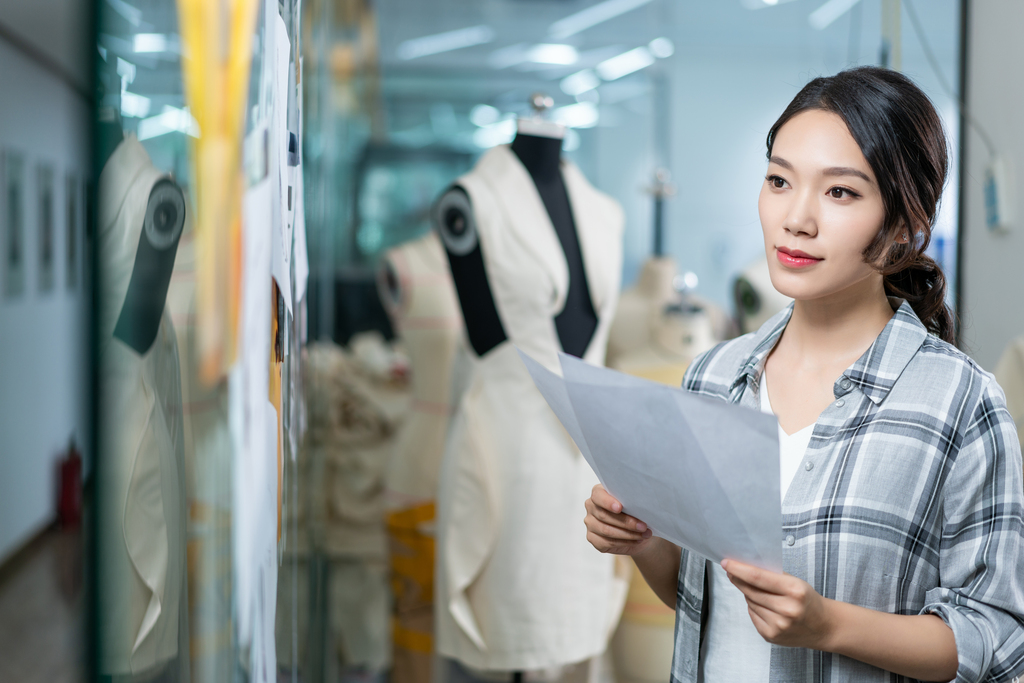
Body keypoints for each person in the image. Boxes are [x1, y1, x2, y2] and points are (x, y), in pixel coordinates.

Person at [584, 66, 1024, 682]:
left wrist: (829, 626)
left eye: (840, 192)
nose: (797, 218)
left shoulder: (959, 403)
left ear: (904, 223)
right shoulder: (714, 376)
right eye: (778, 180)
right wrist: (644, 540)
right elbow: (703, 602)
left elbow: (996, 640)